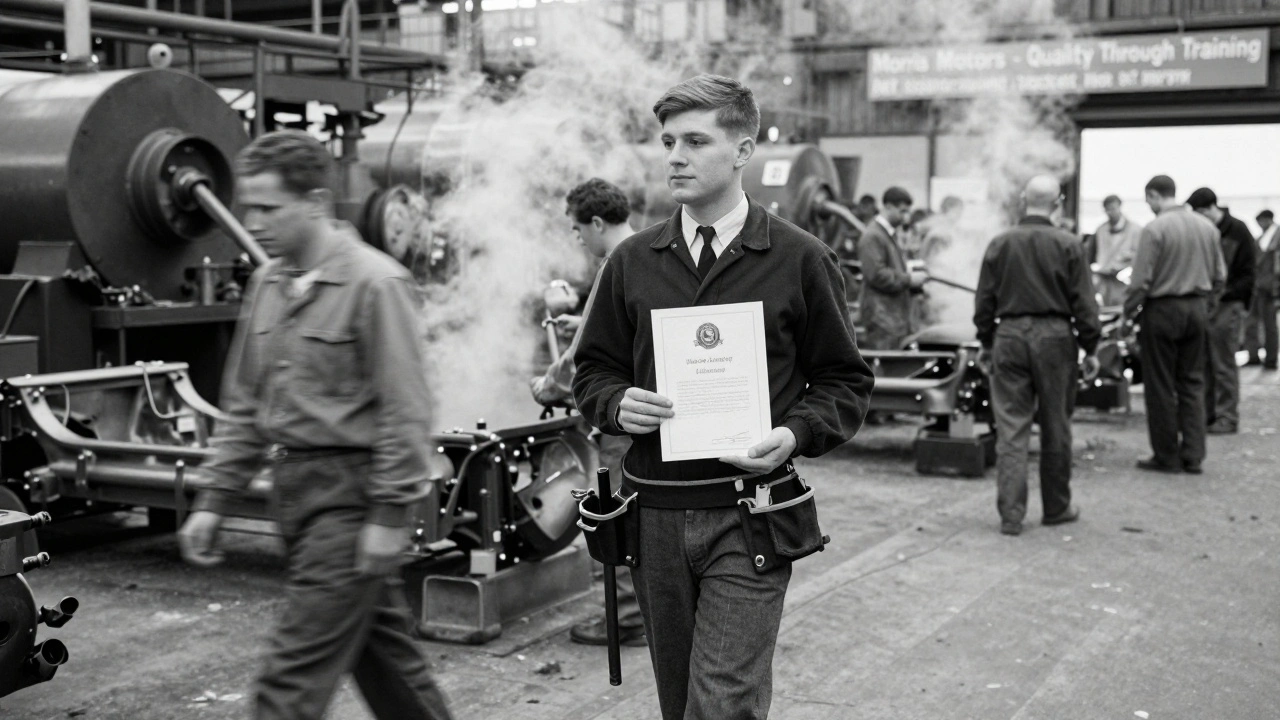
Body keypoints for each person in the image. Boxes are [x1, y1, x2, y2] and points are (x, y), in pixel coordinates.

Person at [572, 74, 874, 720]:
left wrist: (793, 434)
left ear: (743, 151)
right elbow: (592, 371)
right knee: (681, 703)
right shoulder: (633, 262)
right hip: (654, 515)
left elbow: (845, 383)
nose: (674, 156)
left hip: (751, 515)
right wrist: (616, 402)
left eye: (695, 141)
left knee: (723, 704)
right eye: (668, 141)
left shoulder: (799, 259)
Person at [177, 131, 453, 720]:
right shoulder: (266, 285)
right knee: (389, 671)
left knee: (288, 684)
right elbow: (246, 405)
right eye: (250, 205)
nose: (255, 220)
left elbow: (408, 411)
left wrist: (389, 515)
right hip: (295, 498)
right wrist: (214, 498)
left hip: (349, 505)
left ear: (316, 203)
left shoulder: (376, 284)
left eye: (269, 207)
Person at [528, 178, 646, 647]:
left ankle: (627, 619)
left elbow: (579, 360)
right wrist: (587, 320)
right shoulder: (648, 251)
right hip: (642, 413)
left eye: (578, 230)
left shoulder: (614, 263)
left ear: (597, 223)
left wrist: (547, 386)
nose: (578, 239)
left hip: (619, 419)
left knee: (612, 516)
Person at [973, 175, 1101, 537]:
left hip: (1009, 335)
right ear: (1058, 202)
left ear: (1022, 201)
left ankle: (1011, 516)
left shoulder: (1000, 243)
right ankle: (1057, 508)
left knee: (1011, 429)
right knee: (1056, 425)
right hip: (1056, 338)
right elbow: (1085, 305)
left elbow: (984, 302)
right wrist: (1091, 347)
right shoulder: (1070, 244)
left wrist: (986, 341)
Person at [1123, 175, 1225, 474]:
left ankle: (1166, 456)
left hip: (1162, 311)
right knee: (1193, 382)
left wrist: (1128, 317)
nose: (1149, 207)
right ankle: (1193, 454)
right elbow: (1220, 276)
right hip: (1196, 309)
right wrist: (1206, 307)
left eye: (1148, 200)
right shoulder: (1207, 227)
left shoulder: (1154, 229)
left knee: (1160, 385)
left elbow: (1140, 281)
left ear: (1154, 195)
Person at [1187, 188, 1256, 434]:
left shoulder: (1238, 231)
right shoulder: (1208, 231)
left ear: (1208, 209)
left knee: (1223, 362)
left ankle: (1227, 416)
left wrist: (1225, 295)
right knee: (1206, 361)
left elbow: (1248, 274)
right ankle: (1209, 414)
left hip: (1229, 304)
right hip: (1210, 304)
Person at [857, 186, 929, 350]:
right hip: (882, 318)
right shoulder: (872, 236)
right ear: (888, 207)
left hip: (892, 317)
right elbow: (876, 275)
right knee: (887, 366)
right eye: (902, 211)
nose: (906, 218)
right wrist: (910, 279)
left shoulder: (887, 234)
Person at [1091, 195, 1143, 307]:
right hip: (1104, 280)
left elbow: (1141, 256)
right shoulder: (1101, 230)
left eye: (1113, 208)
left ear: (1120, 207)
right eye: (1107, 209)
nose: (1110, 212)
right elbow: (1093, 254)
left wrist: (1127, 258)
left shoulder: (1135, 229)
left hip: (1124, 281)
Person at [1245, 209, 1279, 369]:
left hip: (1269, 287)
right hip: (1258, 286)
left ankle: (1270, 358)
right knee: (1253, 322)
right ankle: (1254, 356)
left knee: (1269, 324)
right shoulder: (1262, 239)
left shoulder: (1274, 238)